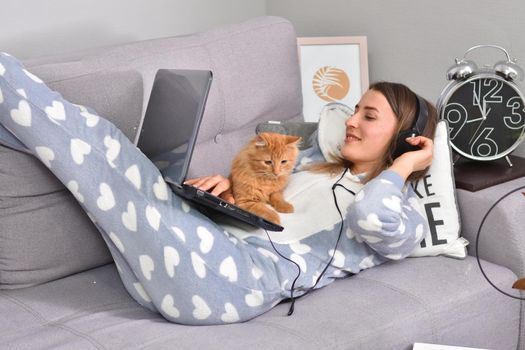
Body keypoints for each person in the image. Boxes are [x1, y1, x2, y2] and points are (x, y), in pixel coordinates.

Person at [0, 52, 435, 326]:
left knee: (105, 146)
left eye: (370, 116)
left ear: (404, 138)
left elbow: (371, 218)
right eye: (356, 109)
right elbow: (259, 211)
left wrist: (404, 165)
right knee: (81, 146)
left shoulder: (402, 211)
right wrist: (225, 195)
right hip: (186, 263)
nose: (352, 120)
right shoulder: (312, 165)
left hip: (231, 285)